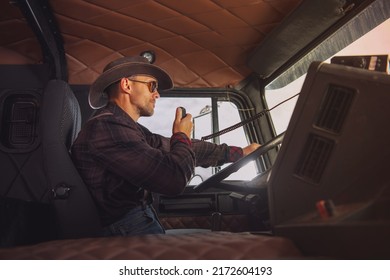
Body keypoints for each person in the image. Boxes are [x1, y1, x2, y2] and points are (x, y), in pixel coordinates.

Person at [71, 56, 260, 237]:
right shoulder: (106, 128)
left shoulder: (126, 127)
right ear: (127, 85)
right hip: (125, 230)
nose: (157, 94)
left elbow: (173, 147)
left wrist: (239, 153)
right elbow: (174, 179)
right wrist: (181, 135)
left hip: (137, 222)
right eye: (152, 85)